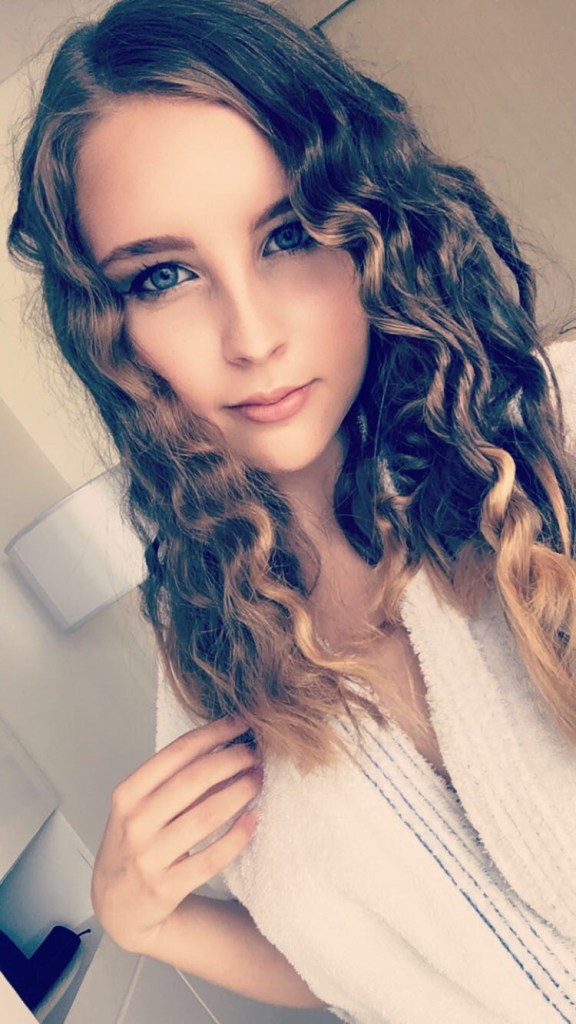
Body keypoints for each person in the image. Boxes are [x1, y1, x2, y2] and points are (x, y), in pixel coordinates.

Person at [8, 0, 576, 1020]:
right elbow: (369, 969)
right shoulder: (210, 649)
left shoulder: (552, 440)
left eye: (290, 234)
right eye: (166, 275)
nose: (253, 334)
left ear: (373, 226)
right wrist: (144, 920)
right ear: (110, 328)